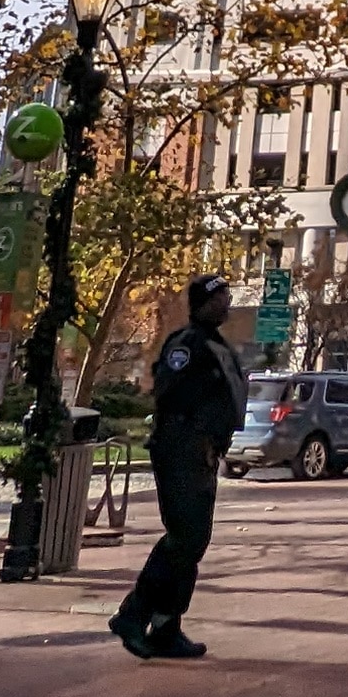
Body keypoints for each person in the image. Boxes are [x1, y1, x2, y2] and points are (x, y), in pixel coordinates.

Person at [109, 274, 245, 662]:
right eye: (219, 296)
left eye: (227, 295)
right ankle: (133, 614)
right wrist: (195, 433)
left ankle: (167, 626)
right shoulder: (187, 344)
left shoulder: (215, 345)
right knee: (184, 537)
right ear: (202, 302)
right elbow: (171, 394)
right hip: (182, 450)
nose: (226, 302)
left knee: (194, 541)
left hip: (203, 452)